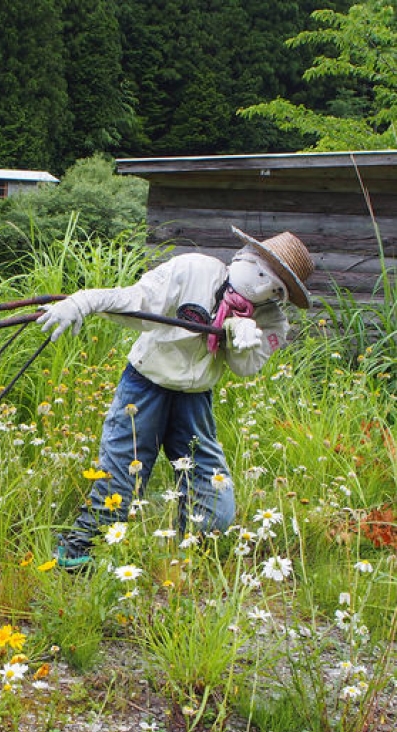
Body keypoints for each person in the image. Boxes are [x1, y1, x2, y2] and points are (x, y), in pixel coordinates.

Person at [37, 225, 315, 568]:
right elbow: (136, 300)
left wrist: (244, 333)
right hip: (145, 385)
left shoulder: (271, 320)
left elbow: (245, 367)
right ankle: (79, 551)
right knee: (121, 477)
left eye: (274, 288)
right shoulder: (194, 269)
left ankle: (187, 557)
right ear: (245, 256)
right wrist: (83, 302)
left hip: (195, 399)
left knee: (215, 500)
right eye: (261, 273)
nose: (260, 287)